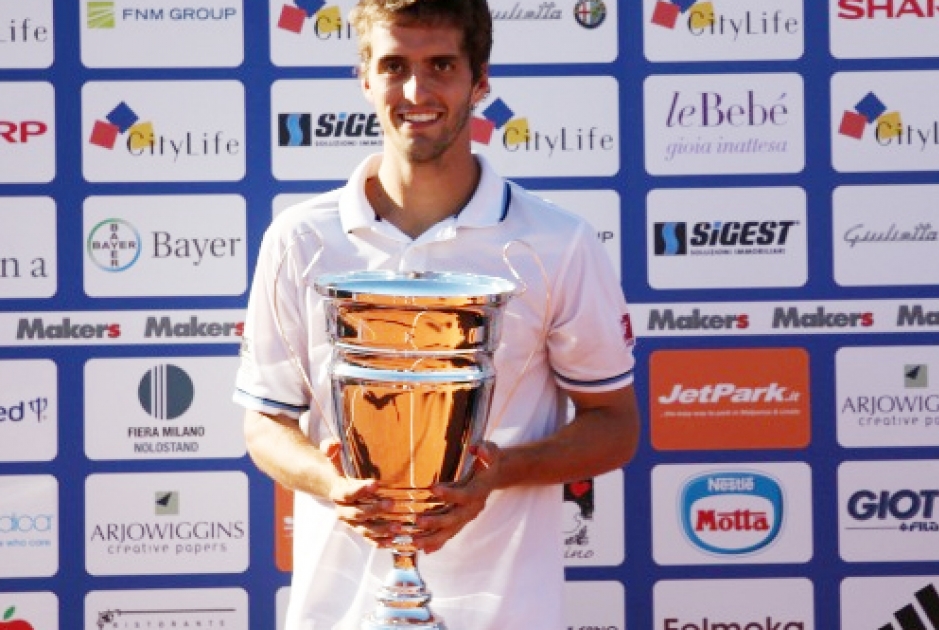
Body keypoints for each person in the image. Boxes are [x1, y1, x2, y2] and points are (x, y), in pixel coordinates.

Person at [234, 0, 640, 628]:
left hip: (505, 613)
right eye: (394, 65)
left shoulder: (558, 242)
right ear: (365, 77)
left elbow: (614, 424)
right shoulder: (300, 238)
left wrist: (499, 473)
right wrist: (329, 481)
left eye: (442, 65)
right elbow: (265, 425)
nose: (416, 91)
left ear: (480, 81)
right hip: (340, 614)